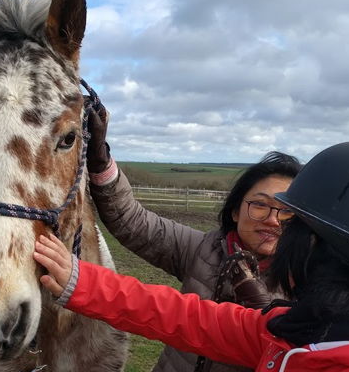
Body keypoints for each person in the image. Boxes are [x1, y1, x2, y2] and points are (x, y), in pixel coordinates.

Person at [34, 140, 349, 372]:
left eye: (292, 218)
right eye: (262, 206)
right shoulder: (298, 330)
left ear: (316, 246)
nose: (276, 223)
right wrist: (78, 279)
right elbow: (179, 314)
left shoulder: (294, 329)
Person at [85, 99, 301, 371]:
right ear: (235, 211)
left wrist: (266, 314)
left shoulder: (308, 280)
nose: (273, 220)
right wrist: (100, 160)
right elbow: (132, 220)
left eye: (288, 212)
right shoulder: (202, 249)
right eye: (259, 204)